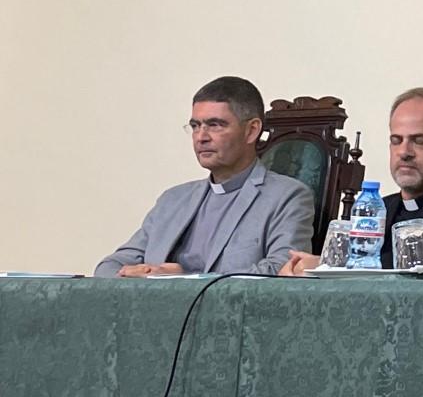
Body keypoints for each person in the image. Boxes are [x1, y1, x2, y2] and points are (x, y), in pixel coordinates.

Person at [94, 76, 314, 277]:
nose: (201, 137)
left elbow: (283, 270)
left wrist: (184, 281)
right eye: (195, 126)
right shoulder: (173, 199)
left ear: (251, 131)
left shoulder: (287, 196)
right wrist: (130, 275)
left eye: (215, 125)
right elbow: (108, 267)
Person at [280, 87, 423, 274]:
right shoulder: (380, 209)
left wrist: (331, 265)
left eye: (419, 141)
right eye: (396, 140)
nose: (404, 152)